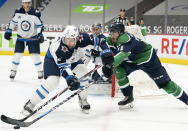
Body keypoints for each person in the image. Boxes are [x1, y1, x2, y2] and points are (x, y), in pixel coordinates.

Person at [21, 25, 110, 115]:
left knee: (83, 73)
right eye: (67, 39)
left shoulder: (84, 38)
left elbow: (101, 40)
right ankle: (31, 104)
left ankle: (83, 99)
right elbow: (64, 67)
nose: (68, 42)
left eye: (71, 40)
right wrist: (70, 78)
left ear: (77, 38)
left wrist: (107, 52)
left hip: (73, 60)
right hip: (52, 61)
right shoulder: (58, 48)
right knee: (52, 82)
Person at [101, 23, 188, 109]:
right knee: (118, 70)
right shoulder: (111, 39)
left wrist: (109, 65)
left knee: (166, 84)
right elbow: (104, 45)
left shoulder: (125, 40)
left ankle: (186, 99)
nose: (112, 35)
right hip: (132, 60)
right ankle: (128, 97)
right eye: (111, 32)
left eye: (114, 32)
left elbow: (121, 56)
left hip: (148, 60)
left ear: (120, 33)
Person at [4, 0, 44, 80]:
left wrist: (40, 34)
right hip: (20, 38)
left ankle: (40, 71)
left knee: (35, 56)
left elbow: (40, 25)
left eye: (29, 3)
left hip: (33, 38)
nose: (27, 4)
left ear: (31, 3)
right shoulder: (18, 11)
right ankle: (13, 70)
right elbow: (13, 22)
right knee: (17, 55)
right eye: (25, 3)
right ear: (22, 3)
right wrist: (9, 31)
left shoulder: (35, 12)